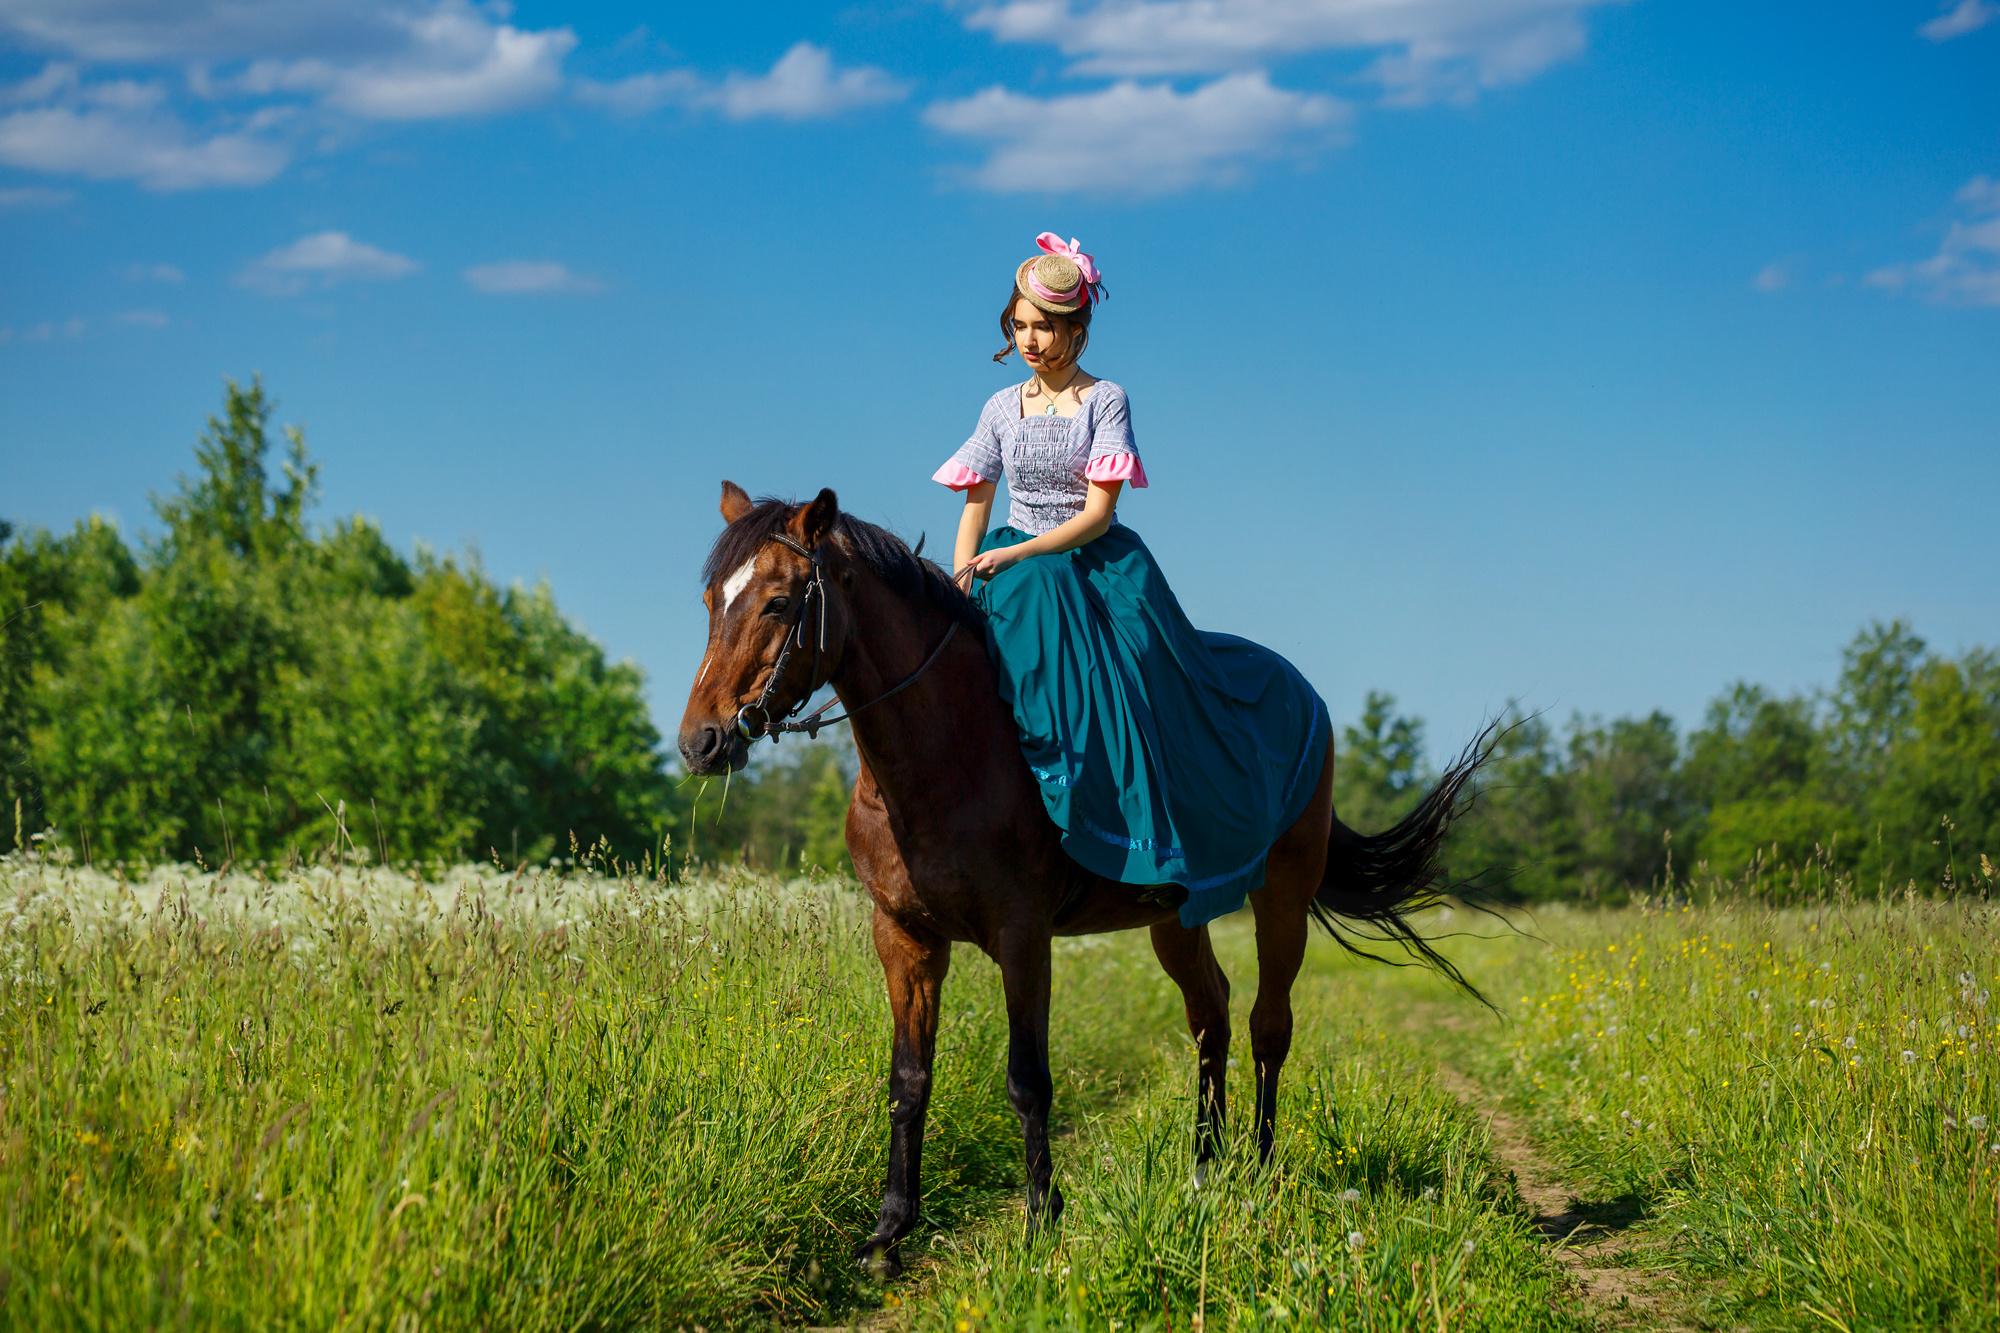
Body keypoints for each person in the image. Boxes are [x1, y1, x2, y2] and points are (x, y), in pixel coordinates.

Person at [935, 233, 1331, 928]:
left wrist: (1019, 557)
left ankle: (1140, 834)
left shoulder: (1105, 400)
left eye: (1045, 328)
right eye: (1020, 326)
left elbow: (1097, 514)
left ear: (1076, 329)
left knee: (1141, 672)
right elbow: (977, 504)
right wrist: (962, 573)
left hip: (1092, 558)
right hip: (1010, 558)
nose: (1030, 340)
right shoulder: (999, 407)